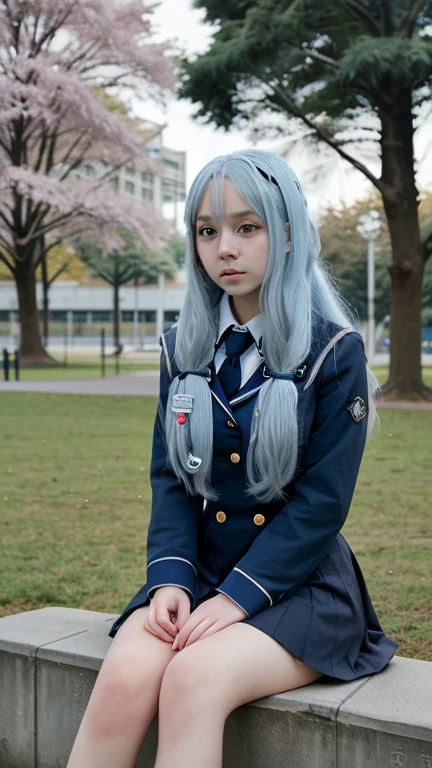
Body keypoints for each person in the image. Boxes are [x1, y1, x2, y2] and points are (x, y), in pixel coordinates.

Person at [66, 150, 397, 768]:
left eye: (248, 227)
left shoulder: (334, 353)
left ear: (288, 232)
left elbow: (322, 504)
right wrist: (169, 577)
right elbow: (171, 479)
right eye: (207, 230)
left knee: (193, 680)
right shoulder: (181, 348)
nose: (225, 248)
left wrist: (238, 598)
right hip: (198, 576)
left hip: (300, 589)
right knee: (126, 675)